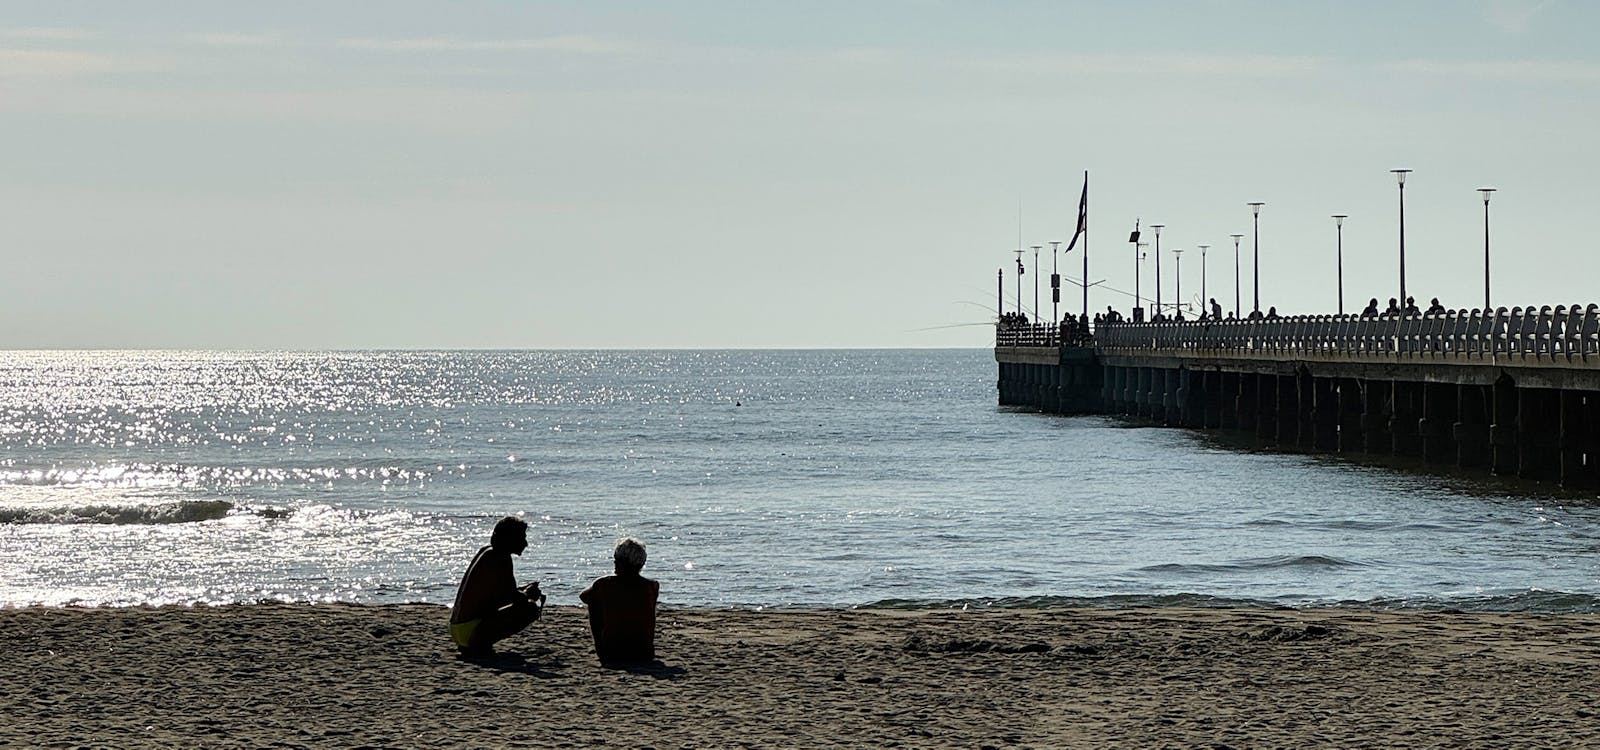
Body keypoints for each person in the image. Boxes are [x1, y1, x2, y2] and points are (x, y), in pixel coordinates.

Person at [450, 516, 545, 656]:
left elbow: (501, 593)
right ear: (511, 539)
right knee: (529, 609)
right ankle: (480, 645)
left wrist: (523, 591)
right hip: (471, 631)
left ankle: (477, 644)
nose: (526, 544)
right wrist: (528, 593)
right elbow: (514, 598)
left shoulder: (488, 552)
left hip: (458, 628)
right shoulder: (500, 558)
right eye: (522, 538)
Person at [580, 537, 660, 665]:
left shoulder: (604, 584)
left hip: (612, 654)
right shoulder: (652, 586)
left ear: (620, 562)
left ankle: (601, 647)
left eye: (616, 560)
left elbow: (584, 597)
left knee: (593, 601)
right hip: (644, 653)